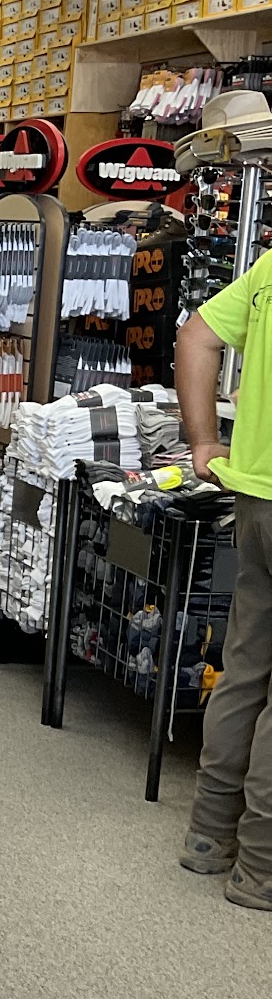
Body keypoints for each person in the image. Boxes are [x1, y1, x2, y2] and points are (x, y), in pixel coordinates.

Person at [176, 257, 272, 907]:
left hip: (257, 500)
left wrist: (204, 440)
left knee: (244, 670)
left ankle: (208, 836)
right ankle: (261, 866)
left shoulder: (268, 269)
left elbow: (195, 337)